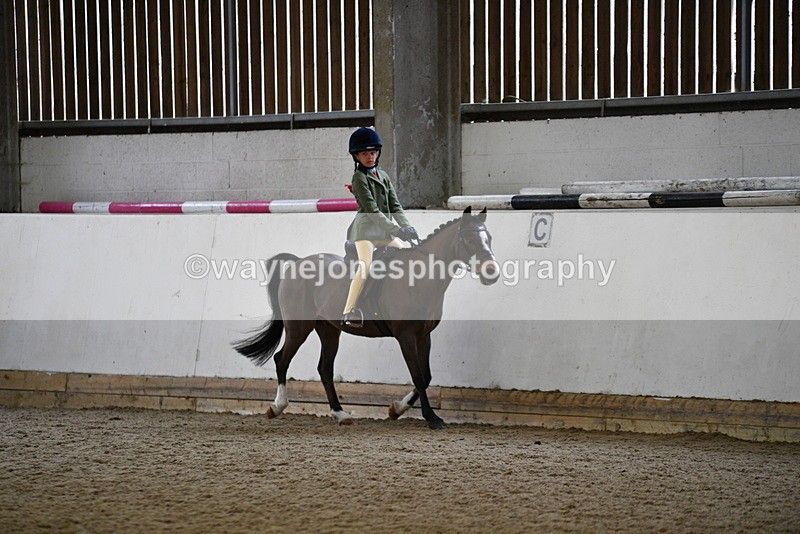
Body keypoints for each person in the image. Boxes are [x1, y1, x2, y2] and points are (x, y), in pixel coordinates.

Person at [341, 127, 419, 327]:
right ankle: (349, 311)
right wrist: (397, 230)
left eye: (373, 152)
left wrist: (408, 228)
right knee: (365, 267)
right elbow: (373, 211)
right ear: (357, 156)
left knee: (406, 256)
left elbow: (395, 206)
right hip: (365, 232)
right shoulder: (359, 178)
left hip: (383, 232)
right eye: (365, 153)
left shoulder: (383, 176)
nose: (370, 156)